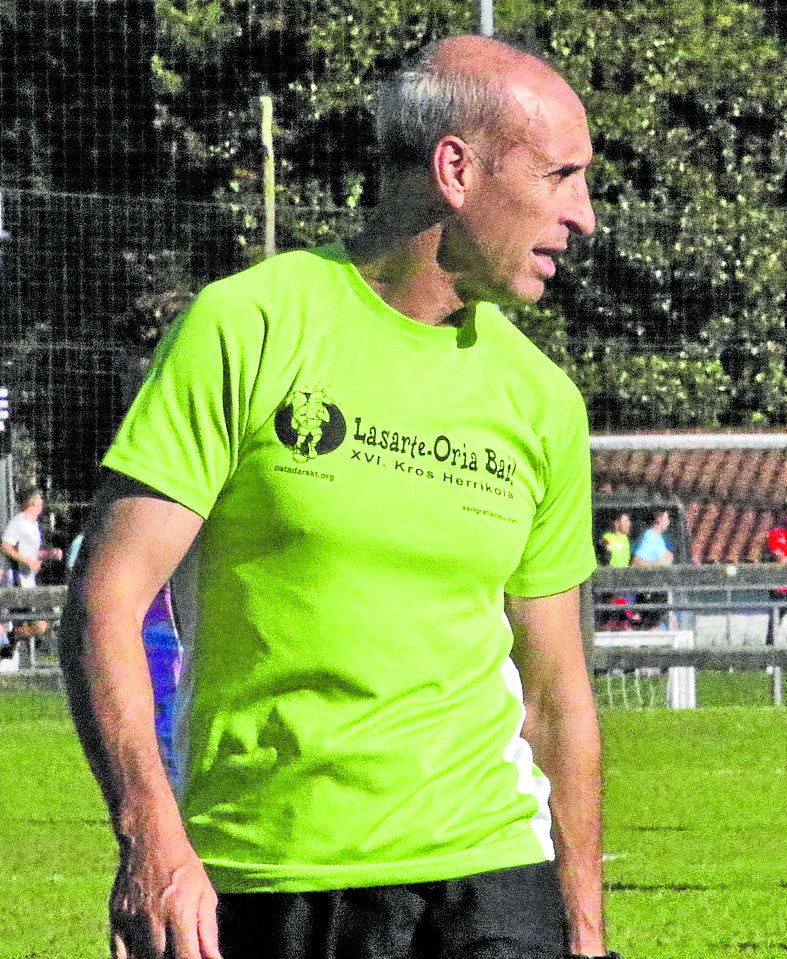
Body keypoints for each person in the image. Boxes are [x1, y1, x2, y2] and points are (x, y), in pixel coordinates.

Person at [60, 35, 615, 959]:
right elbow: (105, 599)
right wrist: (150, 839)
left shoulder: (542, 400)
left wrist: (584, 933)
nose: (583, 215)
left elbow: (556, 696)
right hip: (270, 878)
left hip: (490, 877)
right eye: (560, 175)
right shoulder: (247, 326)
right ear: (455, 169)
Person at [1, 486, 63, 656]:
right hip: (18, 580)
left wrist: (49, 554)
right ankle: (8, 641)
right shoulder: (19, 522)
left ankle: (8, 643)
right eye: (40, 499)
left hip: (30, 581)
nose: (42, 502)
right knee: (40, 625)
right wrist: (28, 562)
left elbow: (30, 553)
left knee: (39, 625)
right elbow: (5, 546)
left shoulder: (33, 525)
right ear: (32, 502)